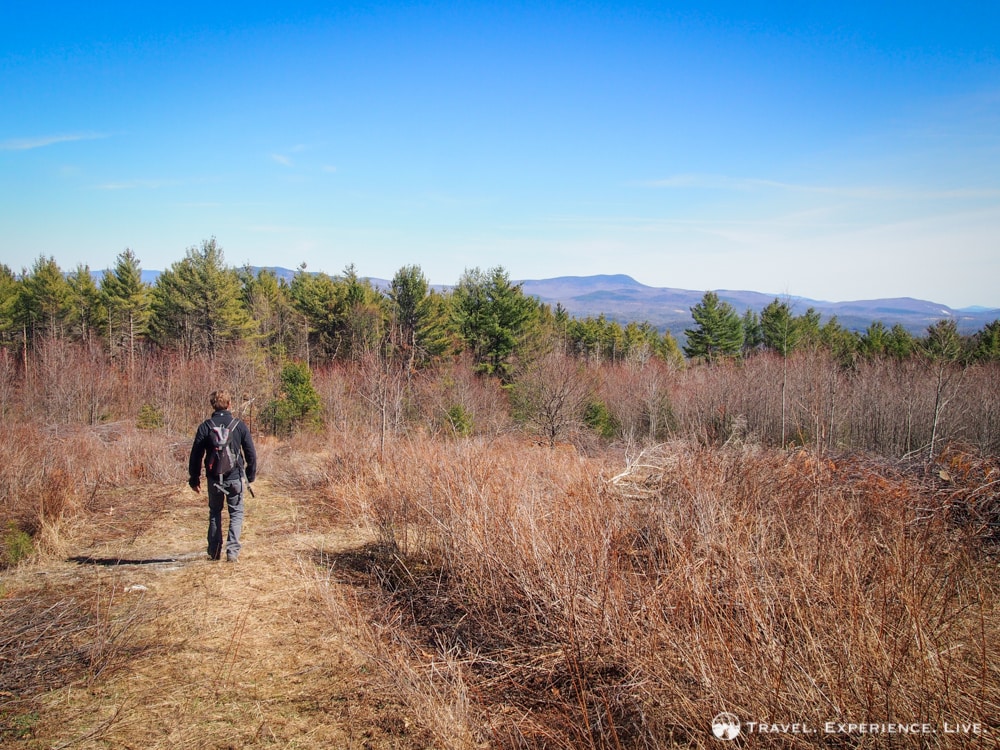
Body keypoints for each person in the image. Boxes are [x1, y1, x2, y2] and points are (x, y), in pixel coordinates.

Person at [188, 389, 257, 562]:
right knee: (236, 513)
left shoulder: (206, 426)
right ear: (229, 404)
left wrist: (194, 478)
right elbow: (251, 454)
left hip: (214, 478)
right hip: (235, 478)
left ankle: (214, 551)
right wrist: (250, 475)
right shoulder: (238, 425)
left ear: (212, 405)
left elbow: (196, 455)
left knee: (214, 512)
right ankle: (232, 553)